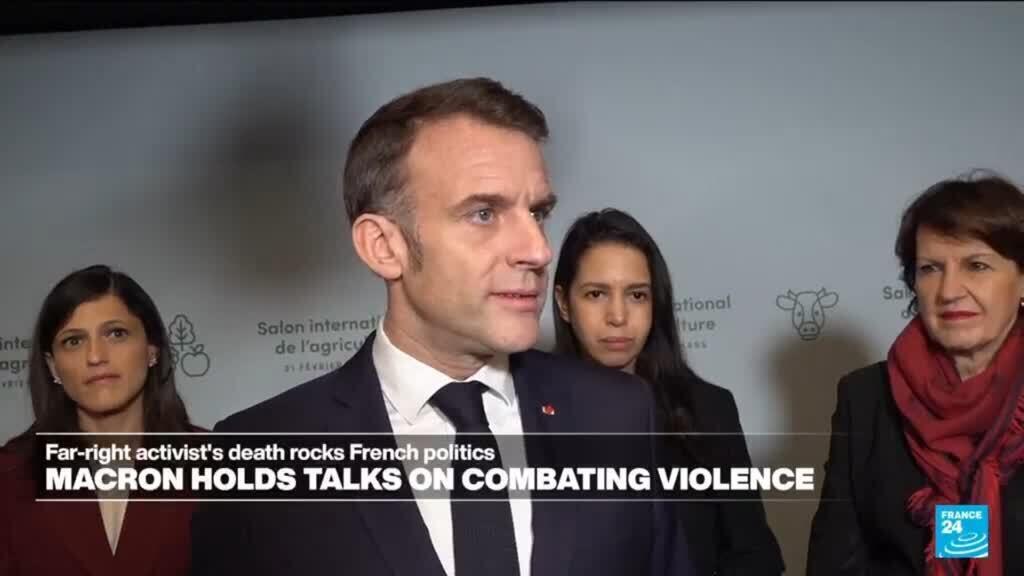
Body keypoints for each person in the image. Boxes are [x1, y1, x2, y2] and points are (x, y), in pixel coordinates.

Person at [190, 77, 692, 576]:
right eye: (483, 213)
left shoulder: (618, 414)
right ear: (384, 247)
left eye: (537, 213)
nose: (538, 250)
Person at [807, 172, 1024, 575]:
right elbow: (834, 562)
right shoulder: (866, 396)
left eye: (977, 265)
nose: (949, 290)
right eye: (930, 268)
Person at [552, 208, 785, 576]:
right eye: (596, 294)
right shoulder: (526, 413)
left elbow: (753, 555)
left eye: (637, 295)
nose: (618, 316)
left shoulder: (708, 410)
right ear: (564, 303)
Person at [0, 264, 198, 576]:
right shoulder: (10, 476)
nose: (95, 356)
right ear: (52, 366)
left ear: (152, 349)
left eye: (116, 334)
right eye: (73, 341)